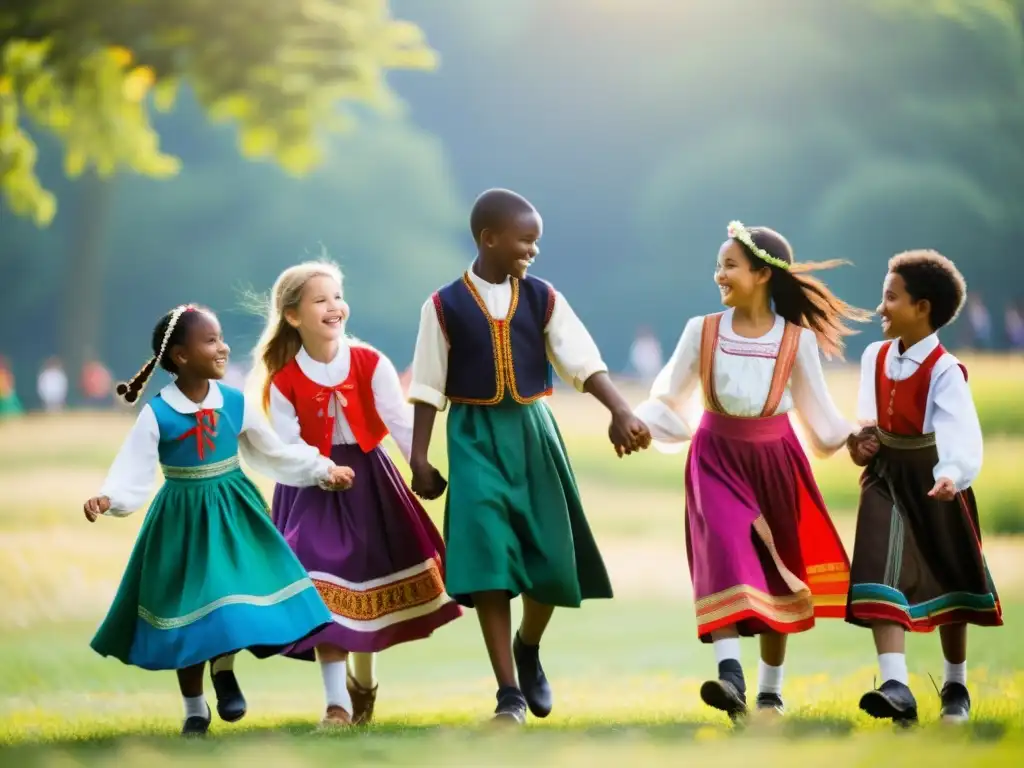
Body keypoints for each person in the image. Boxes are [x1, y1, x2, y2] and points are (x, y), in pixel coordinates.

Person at [407, 188, 651, 724]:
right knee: (488, 559)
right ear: (488, 239)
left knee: (548, 556)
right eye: (525, 240)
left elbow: (582, 360)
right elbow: (427, 386)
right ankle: (507, 693)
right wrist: (419, 458)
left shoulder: (543, 297)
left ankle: (529, 645)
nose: (533, 250)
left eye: (536, 241)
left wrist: (619, 410)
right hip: (472, 440)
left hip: (534, 434)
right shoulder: (442, 306)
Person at [634, 221, 870, 720]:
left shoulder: (795, 341)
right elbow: (668, 397)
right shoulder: (702, 330)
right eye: (719, 265)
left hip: (776, 459)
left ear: (762, 274)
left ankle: (770, 691)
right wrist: (635, 424)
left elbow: (820, 415)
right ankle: (730, 674)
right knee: (723, 543)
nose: (718, 274)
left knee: (778, 571)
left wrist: (852, 437)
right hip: (715, 455)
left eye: (730, 265)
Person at [84, 304, 354, 737]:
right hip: (182, 522)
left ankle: (224, 669)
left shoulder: (234, 402)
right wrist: (108, 498)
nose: (223, 346)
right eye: (210, 341)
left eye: (221, 337)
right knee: (187, 612)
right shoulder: (158, 413)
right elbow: (133, 468)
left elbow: (274, 450)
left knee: (229, 599)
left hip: (233, 516)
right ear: (181, 356)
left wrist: (323, 469)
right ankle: (194, 708)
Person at [250, 261, 461, 727]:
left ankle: (362, 685)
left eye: (337, 297)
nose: (334, 307)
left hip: (371, 484)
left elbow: (400, 424)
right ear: (292, 316)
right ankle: (336, 705)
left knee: (370, 586)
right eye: (320, 300)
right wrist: (323, 469)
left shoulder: (370, 363)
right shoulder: (284, 379)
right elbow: (287, 444)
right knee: (323, 588)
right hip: (310, 488)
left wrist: (421, 469)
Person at [846, 250, 1002, 726]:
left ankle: (955, 685)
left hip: (936, 479)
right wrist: (860, 444)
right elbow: (867, 423)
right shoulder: (875, 356)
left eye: (891, 297)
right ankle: (896, 686)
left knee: (946, 572)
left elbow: (960, 431)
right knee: (876, 566)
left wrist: (952, 473)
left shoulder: (944, 369)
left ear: (923, 307)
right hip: (887, 477)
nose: (881, 307)